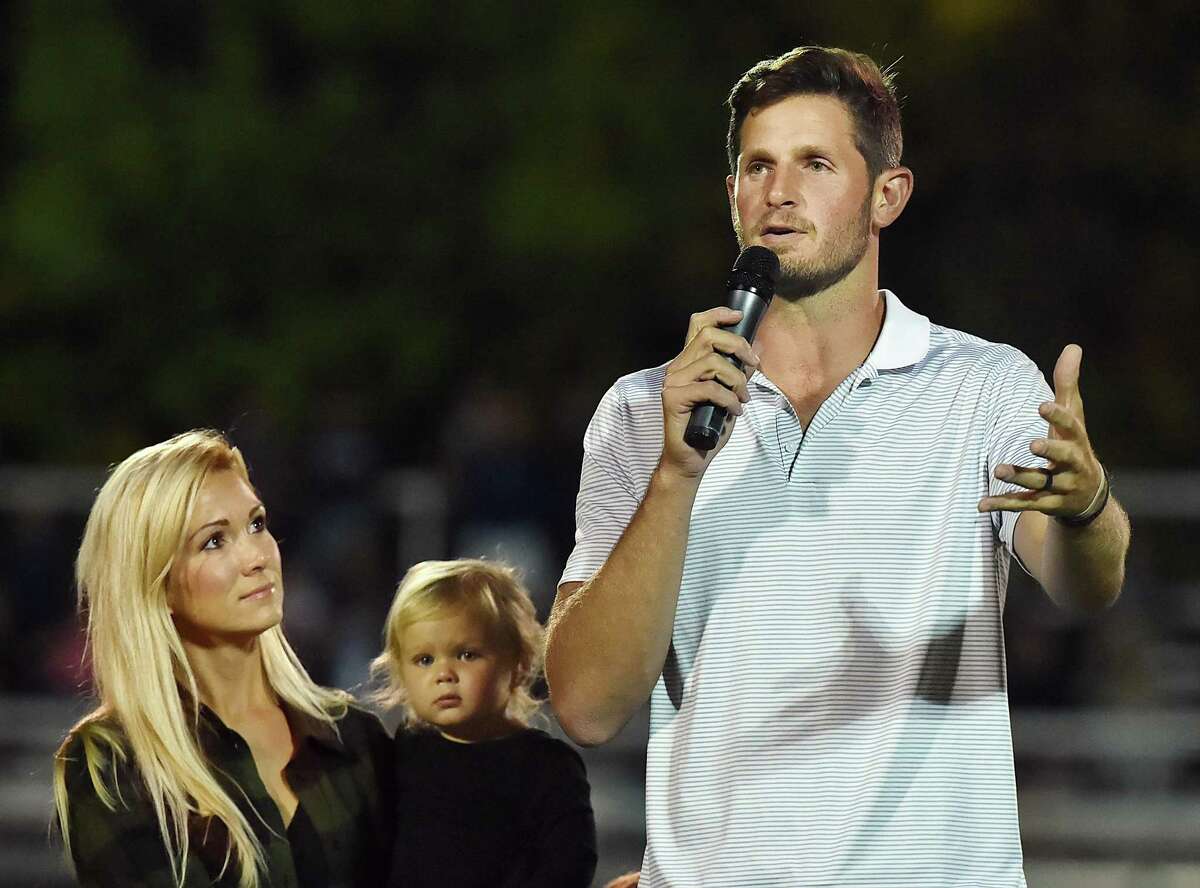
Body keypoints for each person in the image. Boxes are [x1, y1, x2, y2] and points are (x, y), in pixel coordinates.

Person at [546, 45, 1131, 887]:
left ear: (886, 195)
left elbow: (1087, 585)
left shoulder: (983, 386)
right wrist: (676, 475)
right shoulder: (645, 411)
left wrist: (1085, 506)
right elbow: (587, 705)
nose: (779, 192)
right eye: (758, 166)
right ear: (732, 196)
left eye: (815, 163)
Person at [53, 430, 394, 888]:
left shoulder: (354, 738)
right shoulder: (113, 766)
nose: (256, 557)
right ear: (156, 583)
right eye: (214, 541)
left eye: (257, 524)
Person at [371, 558, 597, 888]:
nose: (443, 674)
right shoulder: (401, 756)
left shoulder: (547, 767)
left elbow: (570, 864)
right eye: (424, 660)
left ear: (519, 663)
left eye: (466, 654)